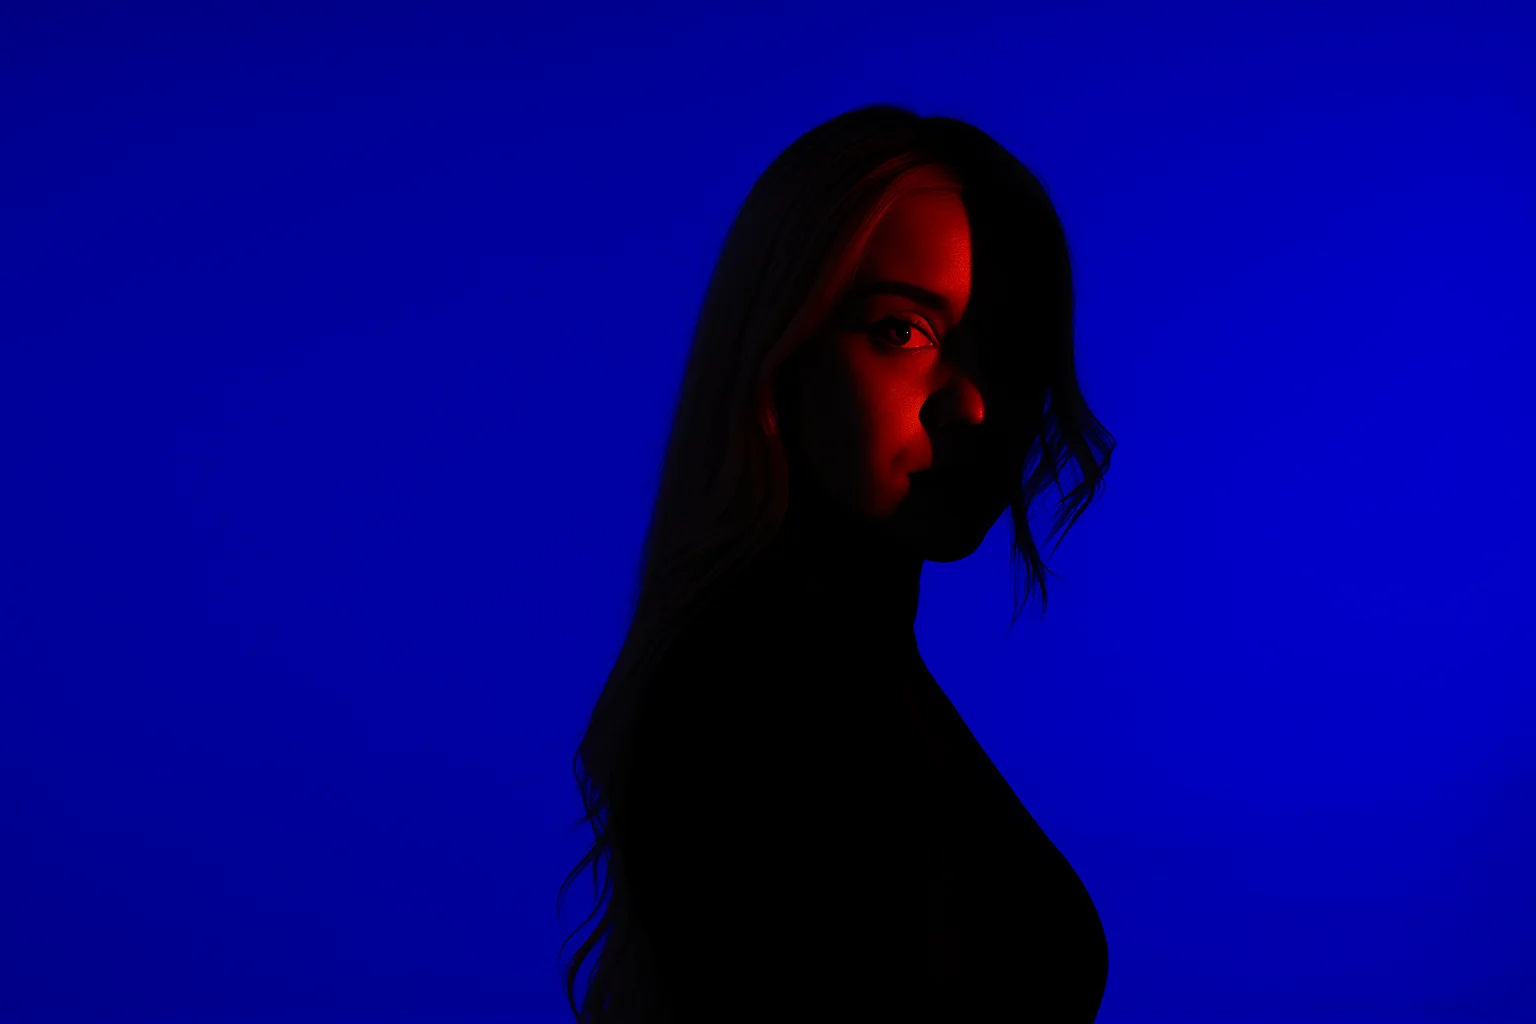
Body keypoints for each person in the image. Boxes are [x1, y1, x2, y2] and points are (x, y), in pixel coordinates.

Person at [556, 103, 1116, 1022]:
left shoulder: (851, 674)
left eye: (1007, 348)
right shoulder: (754, 696)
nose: (973, 404)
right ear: (783, 349)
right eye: (903, 330)